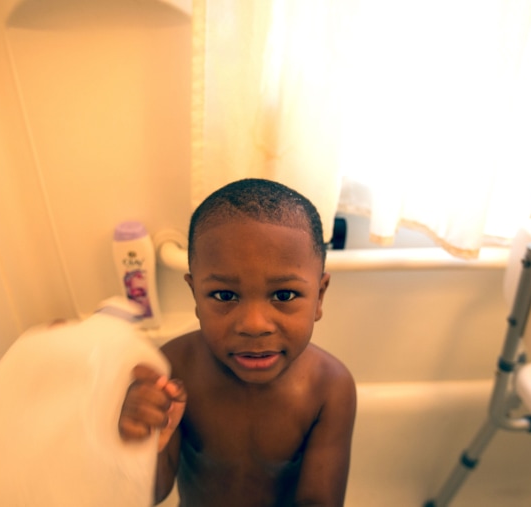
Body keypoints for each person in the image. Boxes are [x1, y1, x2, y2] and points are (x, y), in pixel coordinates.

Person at [119, 178, 357, 506]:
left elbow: (320, 501)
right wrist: (137, 438)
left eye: (284, 294)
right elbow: (151, 493)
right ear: (195, 295)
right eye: (224, 295)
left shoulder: (329, 387)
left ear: (319, 296)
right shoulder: (174, 368)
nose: (253, 325)